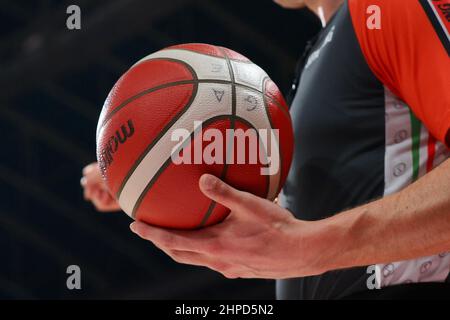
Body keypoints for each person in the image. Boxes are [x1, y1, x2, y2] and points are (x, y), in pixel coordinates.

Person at [81, 0, 450, 299]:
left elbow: (308, 240)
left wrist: (313, 247)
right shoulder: (322, 58)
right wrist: (156, 168)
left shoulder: (388, 7)